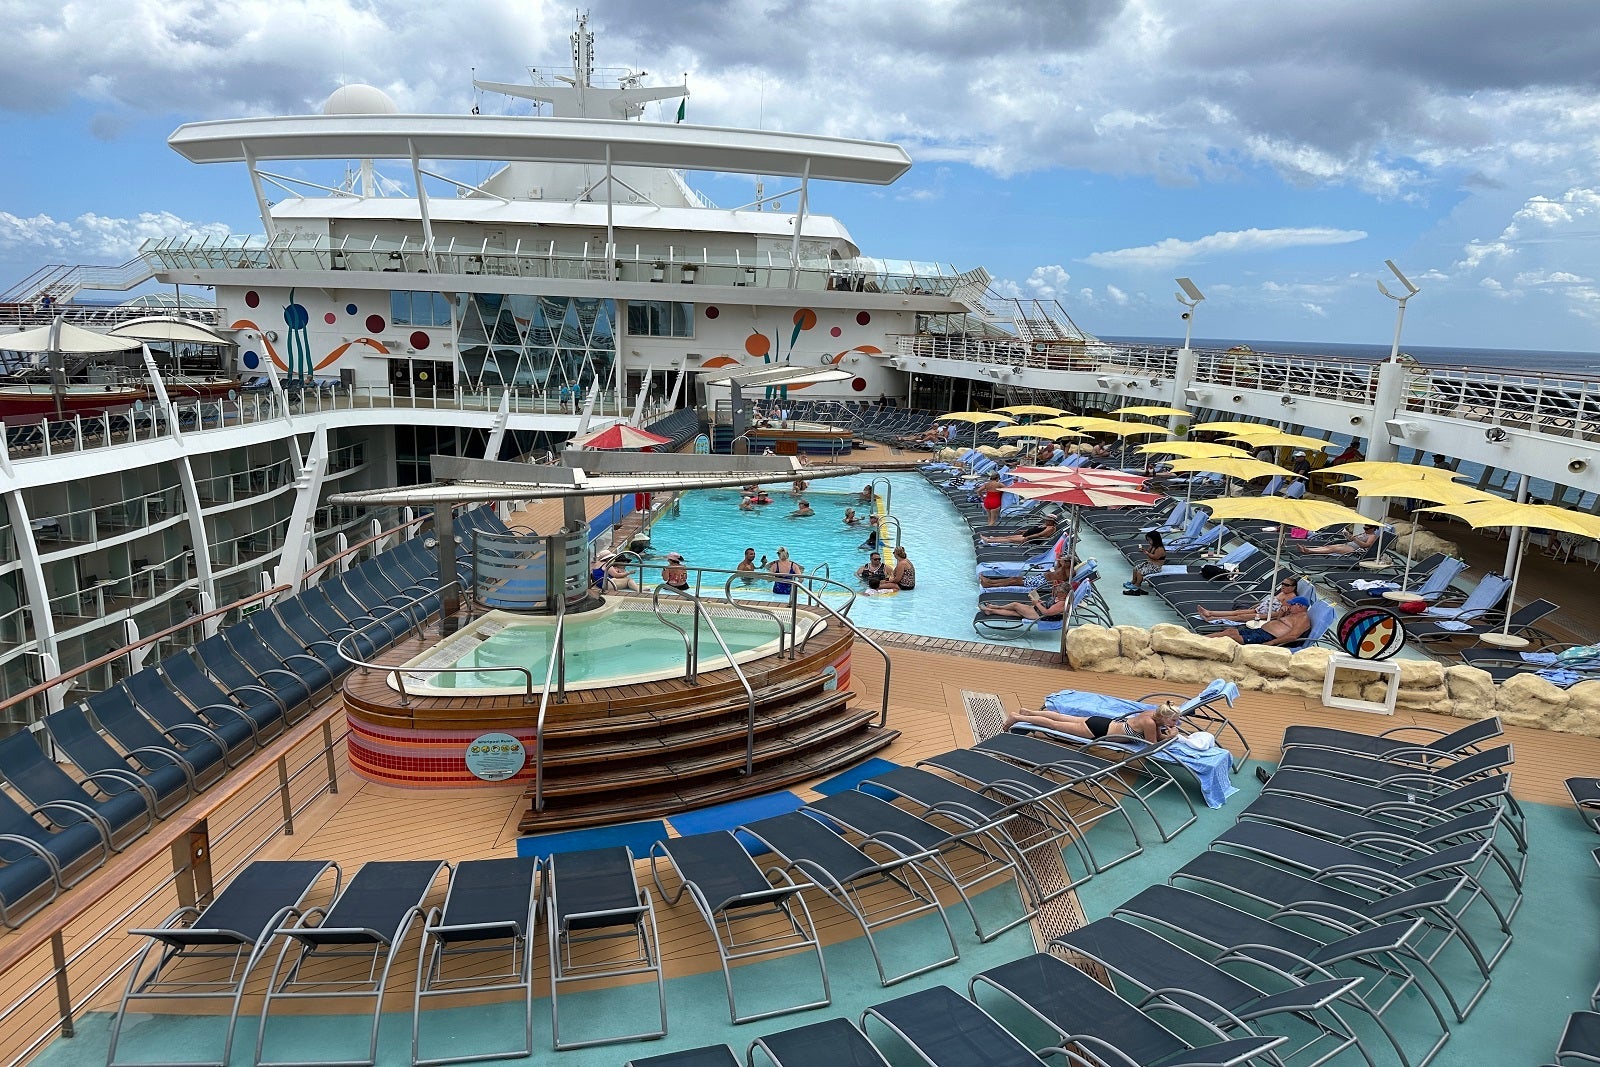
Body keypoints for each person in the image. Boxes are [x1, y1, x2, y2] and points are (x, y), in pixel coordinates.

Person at [1002, 702, 1182, 744]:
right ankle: (1018, 718)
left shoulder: (1153, 714)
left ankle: (1029, 712)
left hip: (1103, 723)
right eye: (1173, 719)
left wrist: (1167, 730)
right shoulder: (1150, 723)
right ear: (1164, 717)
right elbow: (1152, 746)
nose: (1176, 722)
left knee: (1061, 717)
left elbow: (1157, 736)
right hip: (1099, 731)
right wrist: (1172, 736)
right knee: (1054, 725)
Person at [1195, 576, 1300, 622]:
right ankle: (1209, 612)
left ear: (1293, 587)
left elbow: (1280, 614)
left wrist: (1263, 616)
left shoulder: (1291, 598)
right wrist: (1256, 606)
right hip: (1259, 609)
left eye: (1286, 585)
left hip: (1265, 615)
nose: (1283, 586)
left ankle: (1212, 619)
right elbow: (1269, 602)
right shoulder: (1283, 592)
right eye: (1282, 584)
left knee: (1240, 616)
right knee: (1238, 611)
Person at [1216, 596, 1312, 645]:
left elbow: (1292, 636)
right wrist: (1281, 613)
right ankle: (1202, 639)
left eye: (1292, 604)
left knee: (1232, 637)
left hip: (1268, 637)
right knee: (1229, 631)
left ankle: (1204, 643)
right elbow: (1278, 622)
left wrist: (1272, 643)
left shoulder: (1303, 618)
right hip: (1261, 631)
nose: (1289, 606)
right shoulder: (1293, 614)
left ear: (1300, 606)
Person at [980, 555, 1072, 590]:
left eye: (1066, 561)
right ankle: (990, 582)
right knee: (1015, 578)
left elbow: (1063, 578)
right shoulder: (1062, 566)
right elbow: (1055, 570)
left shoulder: (1071, 572)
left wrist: (1063, 566)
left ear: (1070, 563)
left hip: (1044, 584)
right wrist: (1059, 562)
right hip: (1041, 577)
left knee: (1015, 581)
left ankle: (991, 585)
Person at [1122, 531, 1166, 595]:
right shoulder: (1152, 546)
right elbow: (1148, 551)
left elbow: (1155, 557)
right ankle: (1133, 581)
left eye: (1150, 540)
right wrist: (1144, 550)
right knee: (1135, 568)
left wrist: (1147, 553)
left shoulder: (1160, 549)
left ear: (1155, 539)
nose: (1149, 542)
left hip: (1156, 566)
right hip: (1149, 564)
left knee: (1140, 572)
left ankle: (1137, 584)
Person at [1296, 524, 1378, 556]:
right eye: (1364, 528)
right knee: (1329, 546)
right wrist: (1348, 536)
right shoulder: (1364, 534)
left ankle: (1309, 551)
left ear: (1373, 529)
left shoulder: (1372, 536)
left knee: (1333, 549)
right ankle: (1308, 549)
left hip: (1355, 550)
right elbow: (1353, 539)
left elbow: (1366, 545)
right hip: (1349, 545)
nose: (1365, 530)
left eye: (1366, 529)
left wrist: (1355, 539)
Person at [979, 515, 1058, 546]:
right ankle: (990, 539)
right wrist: (1024, 531)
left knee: (1009, 539)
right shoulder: (1047, 525)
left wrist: (1028, 537)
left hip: (1031, 539)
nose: (1045, 521)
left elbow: (1039, 535)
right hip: (1027, 535)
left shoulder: (1050, 528)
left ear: (1051, 521)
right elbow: (1035, 530)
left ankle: (989, 541)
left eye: (1047, 520)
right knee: (1008, 537)